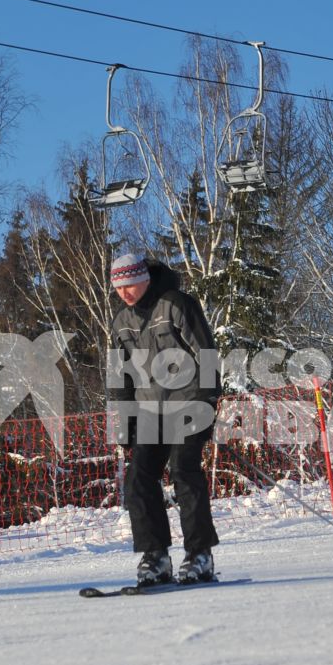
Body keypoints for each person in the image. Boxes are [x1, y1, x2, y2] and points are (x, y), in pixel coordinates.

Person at [105, 250, 222, 586]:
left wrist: (208, 399)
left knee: (184, 470)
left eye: (130, 285)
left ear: (143, 278)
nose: (125, 293)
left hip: (188, 403)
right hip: (149, 412)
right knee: (139, 479)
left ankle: (200, 555)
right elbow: (120, 376)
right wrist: (124, 421)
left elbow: (206, 352)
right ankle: (155, 557)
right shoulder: (121, 322)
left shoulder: (176, 304)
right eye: (119, 288)